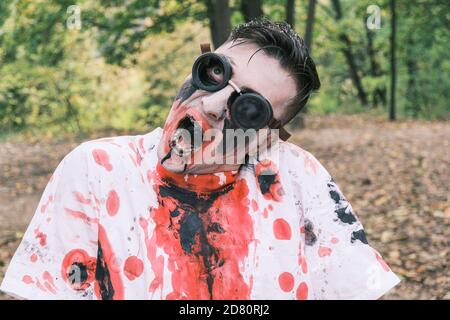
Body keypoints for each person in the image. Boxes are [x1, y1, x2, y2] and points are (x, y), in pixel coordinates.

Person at [0, 18, 399, 300]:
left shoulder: (297, 180)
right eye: (215, 73)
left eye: (249, 108)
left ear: (268, 139)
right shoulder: (97, 169)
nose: (211, 104)